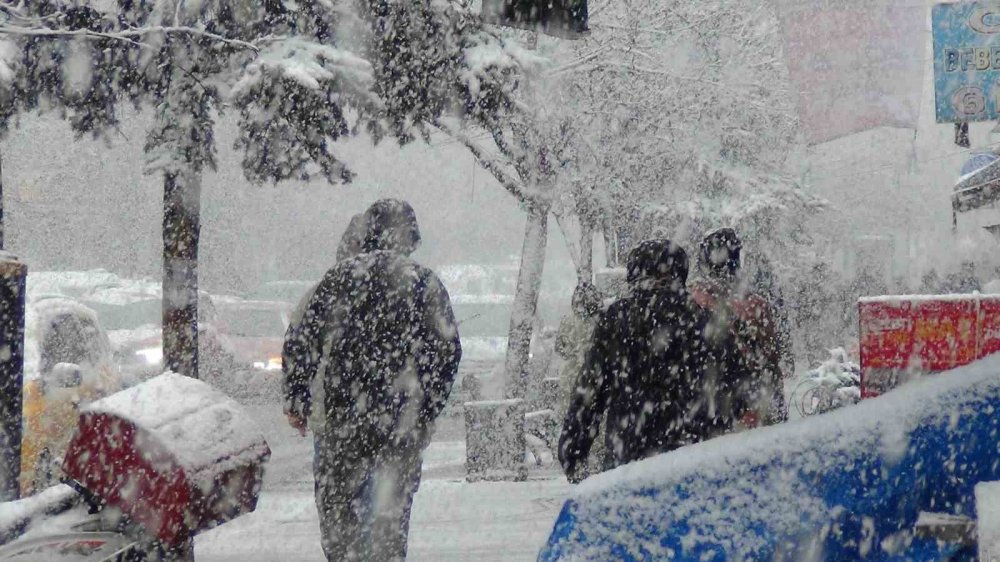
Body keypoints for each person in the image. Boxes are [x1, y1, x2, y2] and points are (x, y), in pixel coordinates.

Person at [282, 199, 462, 562]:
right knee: (387, 529)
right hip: (399, 429)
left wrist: (297, 399)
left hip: (341, 425)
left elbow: (302, 341)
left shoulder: (339, 279)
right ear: (409, 238)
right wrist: (424, 407)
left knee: (340, 522)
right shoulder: (423, 284)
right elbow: (447, 353)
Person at [558, 239, 727, 483]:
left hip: (628, 458)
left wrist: (573, 452)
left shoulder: (616, 319)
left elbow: (590, 392)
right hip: (693, 459)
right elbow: (726, 391)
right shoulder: (702, 320)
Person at [689, 228, 786, 428]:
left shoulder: (692, 299)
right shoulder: (754, 304)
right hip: (751, 406)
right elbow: (772, 360)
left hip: (704, 408)